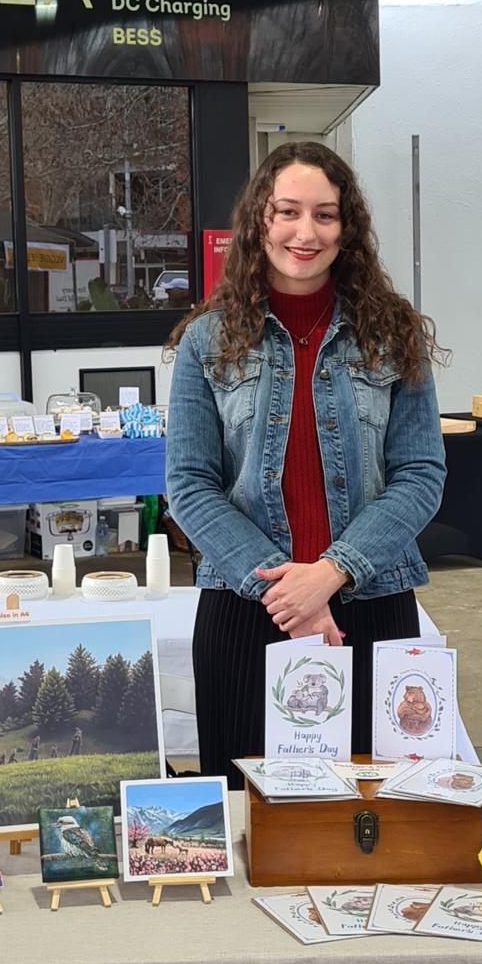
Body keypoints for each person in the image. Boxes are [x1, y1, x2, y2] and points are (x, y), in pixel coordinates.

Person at [165, 141, 446, 782]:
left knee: (372, 813)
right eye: (287, 211)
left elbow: (421, 474)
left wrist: (331, 573)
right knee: (250, 824)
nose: (304, 231)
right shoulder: (206, 340)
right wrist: (292, 595)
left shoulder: (392, 334)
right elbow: (188, 483)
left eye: (324, 214)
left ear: (347, 229)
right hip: (246, 615)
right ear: (259, 219)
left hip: (371, 608)